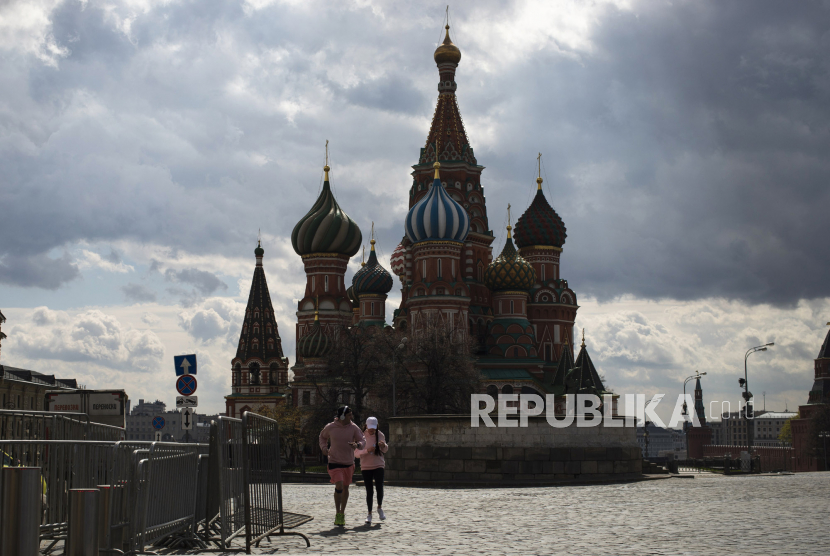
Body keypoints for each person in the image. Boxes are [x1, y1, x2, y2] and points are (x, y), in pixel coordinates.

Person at [319, 405, 365, 526]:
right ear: (342, 416)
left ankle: (342, 513)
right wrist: (324, 448)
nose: (352, 417)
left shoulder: (354, 427)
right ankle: (337, 512)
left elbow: (362, 440)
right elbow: (322, 437)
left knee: (345, 487)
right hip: (334, 461)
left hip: (348, 462)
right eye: (349, 415)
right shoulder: (331, 427)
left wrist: (357, 445)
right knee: (338, 484)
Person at [355, 416, 388, 524]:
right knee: (369, 490)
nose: (372, 431)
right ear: (366, 426)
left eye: (373, 429)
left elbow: (385, 450)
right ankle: (369, 513)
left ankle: (379, 507)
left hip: (378, 464)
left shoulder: (380, 434)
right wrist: (366, 451)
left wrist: (383, 446)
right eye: (370, 428)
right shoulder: (361, 436)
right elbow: (356, 453)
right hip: (366, 466)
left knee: (380, 486)